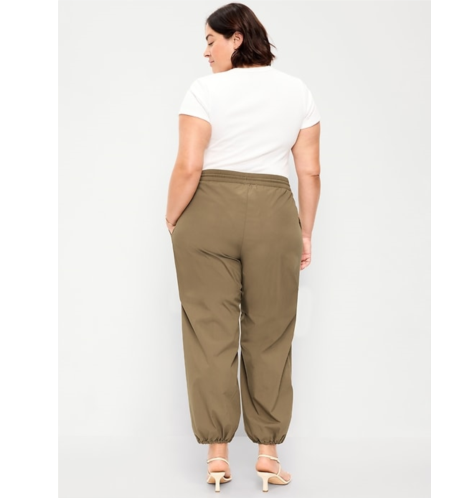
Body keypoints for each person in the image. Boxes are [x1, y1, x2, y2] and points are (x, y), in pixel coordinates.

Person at [165, 2, 321, 492]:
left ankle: (217, 459)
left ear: (236, 38)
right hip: (275, 213)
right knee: (271, 334)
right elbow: (310, 171)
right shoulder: (298, 91)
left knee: (209, 334)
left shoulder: (204, 91)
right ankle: (268, 456)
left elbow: (189, 166)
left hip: (208, 213)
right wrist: (305, 231)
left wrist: (171, 217)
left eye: (210, 41)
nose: (205, 52)